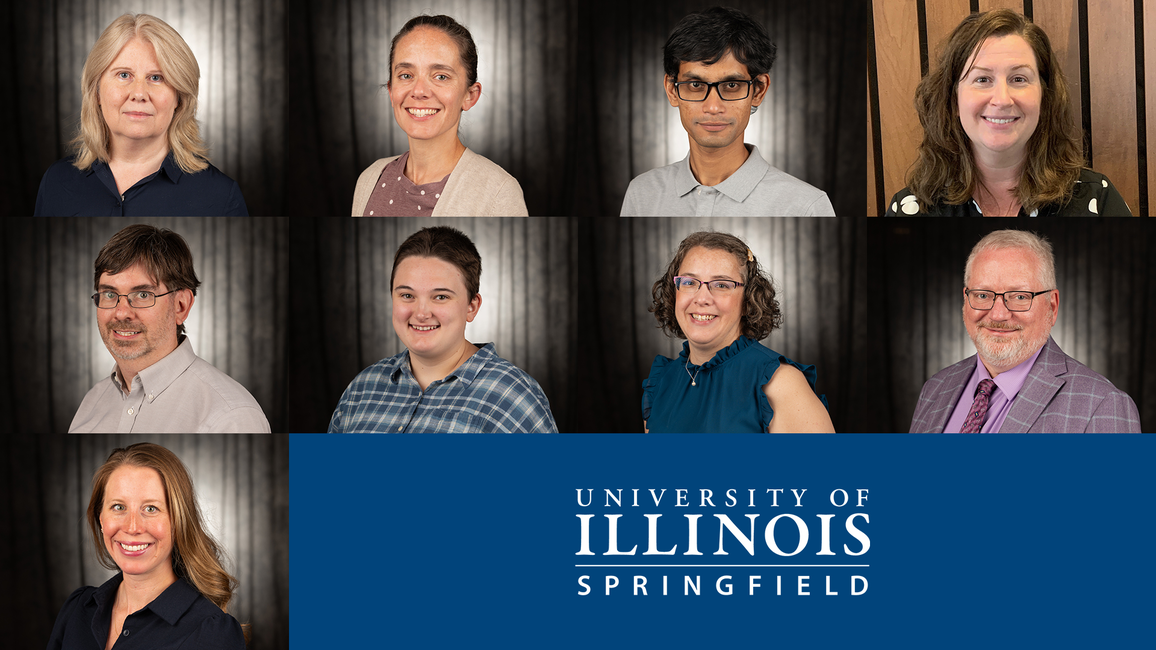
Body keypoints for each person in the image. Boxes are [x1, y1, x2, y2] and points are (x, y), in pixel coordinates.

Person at [885, 10, 1130, 216]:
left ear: (1045, 97)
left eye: (1019, 79)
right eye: (982, 79)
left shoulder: (1098, 200)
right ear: (953, 100)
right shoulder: (911, 209)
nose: (1002, 99)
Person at [910, 230, 1141, 432]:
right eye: (982, 295)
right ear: (965, 300)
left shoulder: (1103, 405)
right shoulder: (935, 388)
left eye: (1020, 297)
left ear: (1052, 306)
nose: (998, 315)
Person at [329, 226, 556, 432]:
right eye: (407, 295)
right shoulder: (361, 388)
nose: (421, 313)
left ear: (471, 307)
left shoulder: (514, 397)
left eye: (440, 297)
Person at [620, 7, 834, 217]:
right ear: (671, 90)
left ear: (758, 90)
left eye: (731, 85)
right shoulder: (641, 194)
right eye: (696, 85)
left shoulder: (807, 206)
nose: (713, 107)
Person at [34, 14, 247, 216]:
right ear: (96, 91)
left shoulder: (221, 197)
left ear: (179, 97)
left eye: (156, 78)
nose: (139, 94)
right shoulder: (56, 181)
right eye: (123, 75)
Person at [69, 224, 270, 433]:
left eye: (143, 295)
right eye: (110, 294)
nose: (121, 313)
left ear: (181, 306)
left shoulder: (232, 416)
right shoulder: (91, 402)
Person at [47, 443, 245, 650]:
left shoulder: (211, 630)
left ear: (179, 522)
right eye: (118, 507)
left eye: (151, 508)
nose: (132, 527)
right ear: (101, 519)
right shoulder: (78, 607)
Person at [642, 231, 833, 433]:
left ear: (748, 300)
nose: (702, 298)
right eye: (689, 282)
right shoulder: (661, 381)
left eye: (721, 285)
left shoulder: (780, 384)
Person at [351, 15, 527, 217]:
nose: (419, 91)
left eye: (441, 76)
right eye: (406, 75)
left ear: (470, 96)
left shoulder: (499, 193)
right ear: (391, 92)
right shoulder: (370, 178)